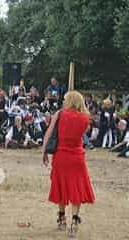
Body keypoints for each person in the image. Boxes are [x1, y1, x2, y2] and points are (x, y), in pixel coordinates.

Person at [42, 91, 95, 238]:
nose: (63, 101)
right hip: (77, 157)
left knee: (61, 186)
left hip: (61, 156)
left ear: (70, 100)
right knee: (76, 188)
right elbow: (83, 132)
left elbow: (49, 133)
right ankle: (75, 222)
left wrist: (44, 151)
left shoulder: (59, 114)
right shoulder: (85, 118)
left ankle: (61, 218)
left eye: (65, 99)